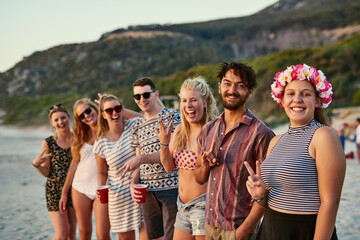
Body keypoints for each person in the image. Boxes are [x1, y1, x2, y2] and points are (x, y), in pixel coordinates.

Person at [245, 63, 346, 240]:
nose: (297, 99)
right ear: (282, 100)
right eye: (290, 94)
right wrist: (260, 196)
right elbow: (271, 198)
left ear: (317, 100)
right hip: (270, 229)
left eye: (306, 94)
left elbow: (330, 203)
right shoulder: (275, 141)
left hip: (305, 231)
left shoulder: (323, 135)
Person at [194, 61, 275, 240]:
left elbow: (268, 191)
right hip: (210, 226)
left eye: (240, 86)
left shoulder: (261, 133)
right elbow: (199, 178)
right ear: (219, 86)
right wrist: (206, 166)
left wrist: (243, 231)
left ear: (250, 91)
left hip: (240, 230)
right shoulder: (208, 130)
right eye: (227, 83)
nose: (232, 90)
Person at [155, 76, 219, 240]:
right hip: (181, 205)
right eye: (184, 101)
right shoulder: (179, 131)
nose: (188, 106)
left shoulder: (211, 131)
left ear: (205, 102)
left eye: (193, 100)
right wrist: (164, 143)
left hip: (203, 205)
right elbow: (168, 167)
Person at [118, 77, 181, 240]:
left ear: (156, 94)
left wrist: (140, 160)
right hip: (147, 191)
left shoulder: (172, 116)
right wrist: (133, 183)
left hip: (171, 188)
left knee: (171, 237)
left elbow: (172, 152)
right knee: (154, 237)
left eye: (146, 95)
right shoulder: (136, 125)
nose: (142, 100)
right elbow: (138, 157)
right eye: (137, 96)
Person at [93, 94, 146, 240]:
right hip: (118, 195)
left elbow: (144, 117)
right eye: (109, 111)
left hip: (140, 191)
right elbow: (101, 172)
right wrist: (101, 188)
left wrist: (123, 110)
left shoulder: (133, 125)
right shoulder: (101, 142)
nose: (114, 113)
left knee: (146, 235)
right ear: (103, 115)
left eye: (118, 108)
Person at [59, 98, 111, 239]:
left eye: (88, 111)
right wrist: (64, 192)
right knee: (84, 232)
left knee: (103, 235)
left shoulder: (110, 128)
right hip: (80, 188)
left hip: (103, 187)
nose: (87, 116)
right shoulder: (81, 135)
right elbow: (74, 164)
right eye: (81, 116)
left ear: (94, 108)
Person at [32, 104, 77, 240]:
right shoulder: (48, 143)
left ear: (69, 118)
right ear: (52, 123)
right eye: (56, 120)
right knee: (61, 234)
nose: (60, 122)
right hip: (55, 191)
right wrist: (37, 164)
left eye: (63, 118)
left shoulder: (78, 138)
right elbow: (47, 172)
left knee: (71, 234)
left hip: (75, 190)